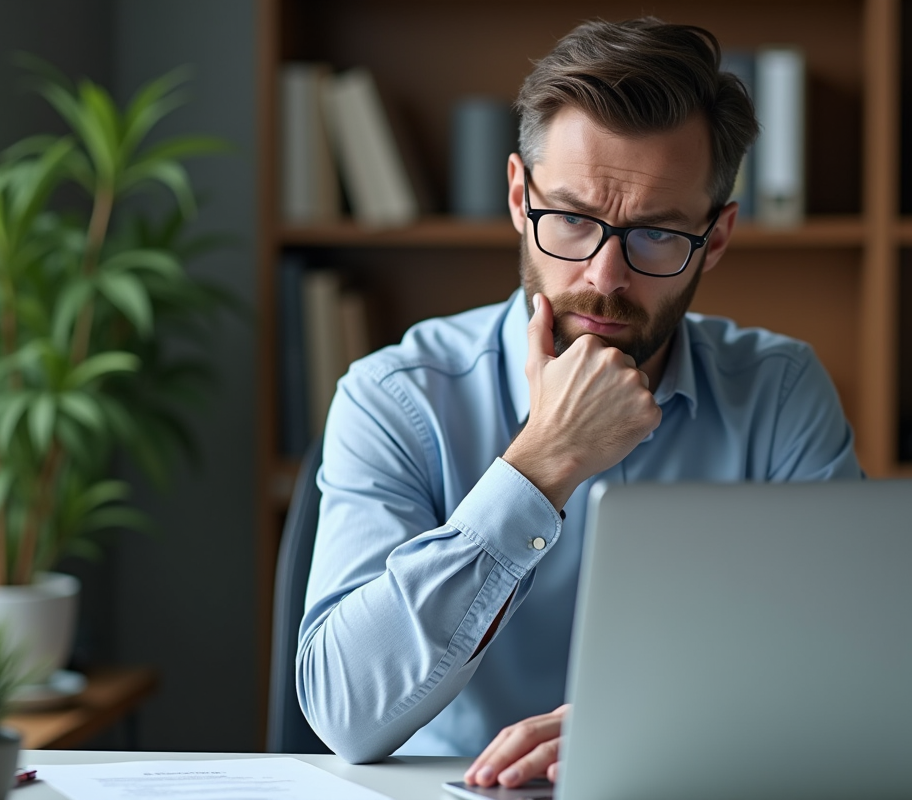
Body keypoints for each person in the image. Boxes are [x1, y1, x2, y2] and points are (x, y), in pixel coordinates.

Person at [296, 16, 862, 788]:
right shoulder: (394, 397)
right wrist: (540, 466)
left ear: (717, 236)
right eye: (571, 219)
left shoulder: (781, 392)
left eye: (657, 235)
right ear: (519, 198)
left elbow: (848, 671)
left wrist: (655, 724)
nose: (603, 277)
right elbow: (344, 714)